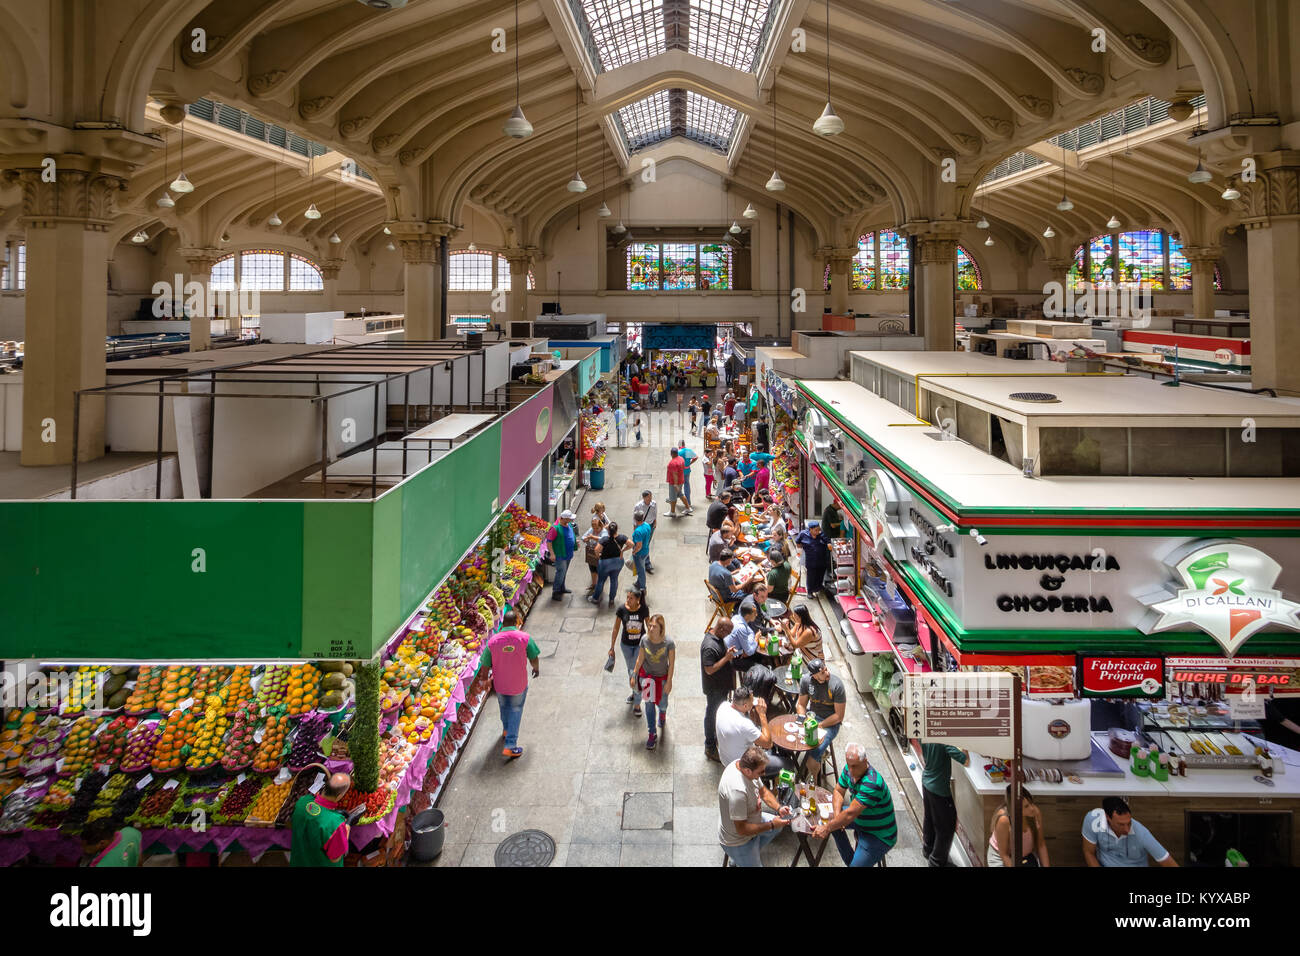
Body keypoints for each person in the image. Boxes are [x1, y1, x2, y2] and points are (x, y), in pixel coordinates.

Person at [812, 743, 897, 868]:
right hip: (861, 818)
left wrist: (829, 827)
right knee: (832, 821)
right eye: (849, 765)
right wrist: (836, 817)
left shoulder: (872, 783)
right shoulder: (849, 768)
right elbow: (838, 791)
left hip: (879, 835)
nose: (851, 771)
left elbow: (850, 814)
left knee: (830, 825)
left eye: (855, 766)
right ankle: (852, 861)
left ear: (865, 761)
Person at [718, 745, 795, 867]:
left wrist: (779, 808)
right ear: (748, 771)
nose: (764, 774)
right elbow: (742, 829)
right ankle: (741, 857)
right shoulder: (738, 792)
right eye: (761, 772)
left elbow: (763, 792)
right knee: (774, 826)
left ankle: (743, 858)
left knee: (777, 827)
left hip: (751, 818)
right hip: (738, 840)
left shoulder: (741, 765)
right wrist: (771, 824)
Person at [484, 610, 541, 758]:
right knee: (516, 709)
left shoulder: (492, 641)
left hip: (500, 684)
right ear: (516, 622)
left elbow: (485, 665)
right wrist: (536, 668)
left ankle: (506, 729)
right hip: (518, 683)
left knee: (504, 706)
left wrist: (484, 680)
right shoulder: (525, 638)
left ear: (503, 623)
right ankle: (510, 745)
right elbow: (534, 656)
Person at [1082, 797, 1177, 867]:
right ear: (1108, 818)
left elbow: (1168, 862)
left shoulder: (1141, 833)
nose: (1127, 829)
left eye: (1129, 823)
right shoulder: (1093, 820)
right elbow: (1089, 852)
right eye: (1121, 824)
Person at [795, 657, 846, 780]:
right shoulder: (807, 681)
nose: (826, 673)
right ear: (814, 676)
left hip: (830, 723)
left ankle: (813, 781)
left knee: (811, 760)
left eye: (826, 669)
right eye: (822, 673)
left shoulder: (836, 685)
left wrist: (820, 725)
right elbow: (801, 704)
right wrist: (803, 719)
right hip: (812, 717)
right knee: (793, 738)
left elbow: (839, 716)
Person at [920, 742, 969, 866]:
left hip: (926, 781)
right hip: (939, 790)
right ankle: (937, 861)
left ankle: (928, 849)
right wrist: (966, 746)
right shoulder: (944, 741)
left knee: (929, 818)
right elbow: (965, 760)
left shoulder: (926, 733)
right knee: (947, 827)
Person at [290, 772, 352, 867]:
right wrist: (347, 828)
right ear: (340, 796)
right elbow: (335, 858)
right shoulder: (335, 824)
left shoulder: (302, 802)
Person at [632, 613, 675, 750]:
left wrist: (669, 682)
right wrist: (634, 674)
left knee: (662, 704)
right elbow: (640, 658)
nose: (650, 629)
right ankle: (652, 733)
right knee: (649, 706)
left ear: (661, 628)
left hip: (662, 678)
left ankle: (662, 713)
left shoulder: (668, 643)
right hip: (648, 678)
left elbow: (672, 664)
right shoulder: (644, 639)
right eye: (649, 625)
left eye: (654, 626)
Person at [701, 618, 738, 762]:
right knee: (711, 714)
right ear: (721, 629)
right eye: (727, 632)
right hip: (714, 687)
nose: (728, 635)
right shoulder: (710, 646)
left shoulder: (716, 637)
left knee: (716, 713)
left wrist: (726, 653)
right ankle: (709, 746)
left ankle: (715, 738)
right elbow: (709, 669)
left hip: (721, 685)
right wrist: (726, 658)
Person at [609, 588, 651, 715]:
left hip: (640, 645)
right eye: (627, 597)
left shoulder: (644, 609)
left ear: (638, 600)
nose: (628, 600)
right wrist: (612, 647)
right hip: (626, 646)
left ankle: (637, 703)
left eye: (631, 598)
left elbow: (649, 627)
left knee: (635, 672)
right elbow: (616, 628)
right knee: (631, 670)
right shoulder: (622, 610)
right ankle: (634, 692)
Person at [988, 785, 1050, 867]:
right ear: (1016, 808)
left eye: (1031, 803)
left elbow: (1041, 845)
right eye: (1026, 806)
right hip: (1001, 857)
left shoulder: (1034, 813)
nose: (1032, 808)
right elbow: (1004, 855)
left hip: (1025, 856)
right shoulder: (1004, 820)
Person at [589, 520, 630, 608]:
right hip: (618, 561)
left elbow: (596, 550)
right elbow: (631, 544)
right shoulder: (622, 538)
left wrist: (599, 556)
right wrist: (622, 550)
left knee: (601, 580)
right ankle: (611, 599)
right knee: (614, 580)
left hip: (605, 563)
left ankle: (595, 598)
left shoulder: (605, 539)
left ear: (608, 530)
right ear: (617, 529)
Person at [545, 509, 577, 601]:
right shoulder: (555, 528)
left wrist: (574, 542)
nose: (571, 520)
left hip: (568, 554)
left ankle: (562, 587)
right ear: (564, 519)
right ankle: (556, 591)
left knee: (564, 572)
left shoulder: (569, 525)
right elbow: (549, 542)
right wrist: (552, 554)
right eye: (570, 519)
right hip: (560, 555)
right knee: (560, 572)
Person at [794, 519, 831, 598]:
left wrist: (829, 544)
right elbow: (797, 541)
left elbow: (828, 541)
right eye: (816, 530)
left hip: (822, 559)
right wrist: (800, 547)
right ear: (810, 529)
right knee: (811, 576)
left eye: (819, 530)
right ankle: (810, 591)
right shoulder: (803, 534)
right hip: (810, 560)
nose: (818, 532)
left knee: (820, 574)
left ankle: (818, 587)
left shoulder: (821, 535)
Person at [726, 603, 765, 673]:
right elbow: (749, 652)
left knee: (760, 656)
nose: (756, 615)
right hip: (734, 659)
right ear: (747, 615)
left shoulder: (736, 617)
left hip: (739, 651)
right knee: (761, 668)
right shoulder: (741, 627)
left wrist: (749, 643)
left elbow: (751, 633)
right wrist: (756, 638)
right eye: (754, 613)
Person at [581, 511, 606, 593]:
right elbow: (583, 536)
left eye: (597, 528)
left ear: (600, 526)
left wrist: (592, 537)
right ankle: (594, 584)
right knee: (592, 569)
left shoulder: (604, 531)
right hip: (591, 552)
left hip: (600, 554)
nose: (595, 530)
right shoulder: (592, 529)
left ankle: (599, 586)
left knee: (600, 570)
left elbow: (604, 539)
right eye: (594, 528)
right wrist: (585, 538)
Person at [631, 508, 652, 591]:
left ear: (635, 519)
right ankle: (638, 583)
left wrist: (634, 551)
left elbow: (639, 545)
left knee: (641, 571)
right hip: (646, 550)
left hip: (639, 553)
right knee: (641, 568)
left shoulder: (638, 531)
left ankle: (643, 587)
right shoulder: (647, 525)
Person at [639, 490, 658, 572]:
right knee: (645, 544)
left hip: (651, 525)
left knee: (646, 543)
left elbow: (655, 512)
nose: (650, 498)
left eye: (651, 496)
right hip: (642, 527)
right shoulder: (639, 506)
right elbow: (635, 518)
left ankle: (644, 559)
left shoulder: (654, 503)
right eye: (648, 497)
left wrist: (655, 521)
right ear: (644, 498)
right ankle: (647, 563)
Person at [665, 449, 686, 518]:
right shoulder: (681, 458)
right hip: (681, 480)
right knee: (680, 494)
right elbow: (683, 468)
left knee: (673, 497)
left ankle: (672, 512)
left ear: (671, 454)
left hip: (674, 482)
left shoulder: (672, 463)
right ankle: (688, 508)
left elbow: (675, 474)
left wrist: (675, 484)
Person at [676, 440, 697, 512]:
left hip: (680, 472)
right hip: (687, 471)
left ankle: (674, 499)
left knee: (678, 486)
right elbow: (696, 457)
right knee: (687, 485)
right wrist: (690, 463)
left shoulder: (678, 452)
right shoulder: (688, 450)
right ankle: (688, 501)